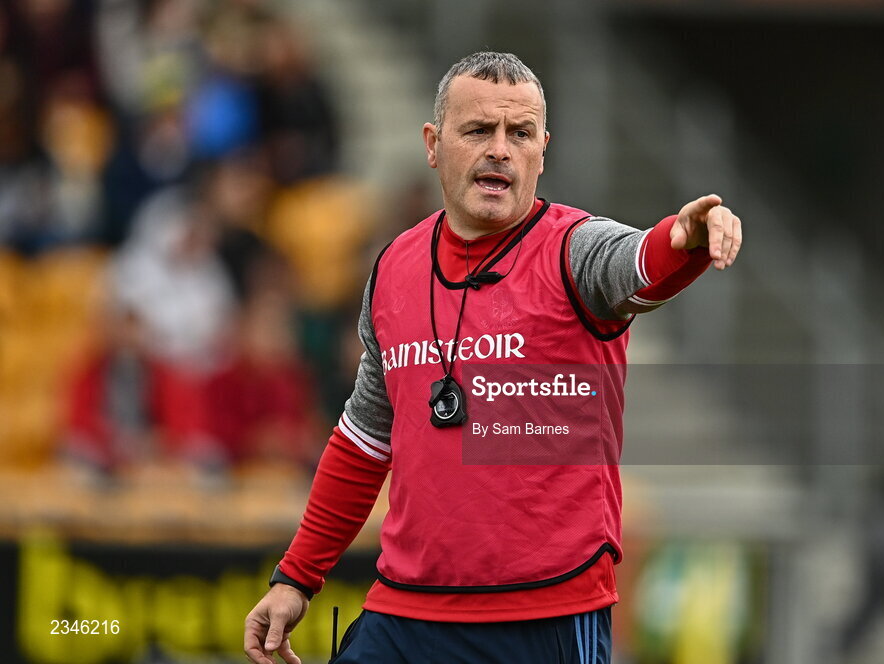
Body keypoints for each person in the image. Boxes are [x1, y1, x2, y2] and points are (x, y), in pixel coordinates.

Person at [244, 51, 742, 664]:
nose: (501, 149)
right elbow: (365, 441)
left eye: (520, 133)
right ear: (433, 143)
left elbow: (637, 264)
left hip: (543, 617)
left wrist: (684, 237)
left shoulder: (574, 250)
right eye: (479, 130)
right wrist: (297, 577)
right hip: (405, 612)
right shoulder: (393, 268)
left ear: (542, 150)